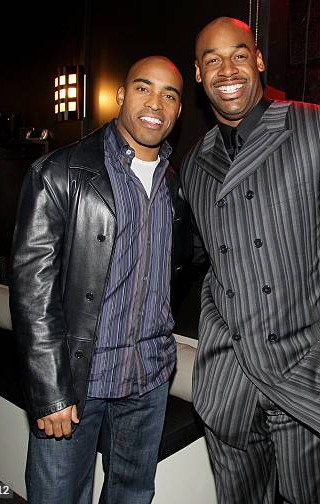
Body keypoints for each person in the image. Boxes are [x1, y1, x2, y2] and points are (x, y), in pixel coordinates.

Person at [181, 17, 320, 504]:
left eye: (238, 54)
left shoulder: (317, 126)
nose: (226, 69)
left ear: (258, 60)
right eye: (211, 60)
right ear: (198, 74)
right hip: (229, 375)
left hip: (314, 366)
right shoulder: (195, 162)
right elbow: (198, 255)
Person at [10, 56, 188, 503]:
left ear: (179, 111)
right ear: (122, 96)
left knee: (132, 494)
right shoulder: (59, 174)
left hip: (148, 380)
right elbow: (32, 294)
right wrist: (50, 390)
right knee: (57, 497)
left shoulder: (176, 187)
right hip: (75, 382)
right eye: (144, 88)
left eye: (170, 94)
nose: (156, 103)